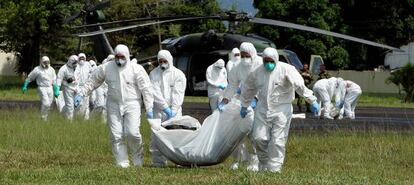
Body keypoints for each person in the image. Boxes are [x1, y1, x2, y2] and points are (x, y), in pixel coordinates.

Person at [239, 47, 319, 173]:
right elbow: (249, 88)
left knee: (278, 140)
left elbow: (299, 85)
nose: (268, 64)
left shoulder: (286, 69)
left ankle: (275, 168)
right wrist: (244, 104)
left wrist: (312, 100)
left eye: (271, 61)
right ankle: (264, 163)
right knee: (259, 138)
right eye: (266, 61)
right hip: (262, 109)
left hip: (282, 110)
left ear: (276, 59)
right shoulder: (257, 71)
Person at [74, 44, 154, 168]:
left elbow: (146, 89)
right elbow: (93, 81)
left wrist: (149, 108)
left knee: (132, 133)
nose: (119, 59)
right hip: (113, 103)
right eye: (117, 57)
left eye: (122, 57)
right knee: (116, 134)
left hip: (132, 103)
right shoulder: (106, 67)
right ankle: (122, 162)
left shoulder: (136, 69)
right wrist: (81, 93)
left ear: (127, 56)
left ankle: (138, 160)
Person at [219, 42, 262, 171]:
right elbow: (232, 84)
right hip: (243, 103)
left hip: (259, 103)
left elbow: (264, 84)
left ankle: (255, 161)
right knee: (238, 132)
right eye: (242, 55)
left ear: (253, 53)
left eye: (246, 55)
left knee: (255, 134)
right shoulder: (238, 66)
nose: (244, 57)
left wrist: (255, 99)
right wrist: (225, 100)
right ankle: (237, 160)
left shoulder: (260, 64)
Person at [149, 49, 187, 167]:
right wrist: (165, 107)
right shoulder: (154, 74)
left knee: (177, 135)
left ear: (170, 60)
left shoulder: (178, 74)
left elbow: (178, 93)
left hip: (175, 110)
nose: (162, 64)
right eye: (160, 62)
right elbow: (154, 91)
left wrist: (174, 110)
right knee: (156, 136)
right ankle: (158, 162)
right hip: (159, 110)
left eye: (165, 61)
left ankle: (179, 161)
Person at [22, 56, 58, 121]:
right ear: (42, 62)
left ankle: (47, 119)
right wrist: (25, 86)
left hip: (50, 88)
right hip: (42, 88)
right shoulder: (37, 69)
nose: (46, 64)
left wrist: (56, 90)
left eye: (48, 62)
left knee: (50, 104)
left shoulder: (51, 69)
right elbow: (30, 78)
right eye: (45, 62)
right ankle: (43, 118)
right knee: (46, 103)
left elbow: (54, 80)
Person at [56, 55, 79, 120]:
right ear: (70, 62)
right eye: (74, 63)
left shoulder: (77, 67)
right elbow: (59, 78)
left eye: (76, 62)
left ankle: (62, 115)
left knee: (76, 105)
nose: (75, 64)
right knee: (70, 106)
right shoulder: (63, 69)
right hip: (67, 88)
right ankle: (69, 122)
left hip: (76, 88)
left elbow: (78, 77)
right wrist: (57, 88)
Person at [75, 53, 92, 120]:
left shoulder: (88, 64)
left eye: (83, 58)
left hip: (86, 86)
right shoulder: (76, 65)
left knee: (86, 103)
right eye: (80, 58)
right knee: (78, 103)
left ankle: (86, 119)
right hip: (77, 87)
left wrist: (89, 84)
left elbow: (92, 73)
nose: (82, 59)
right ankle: (77, 117)